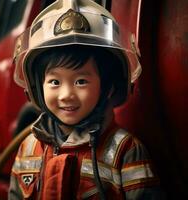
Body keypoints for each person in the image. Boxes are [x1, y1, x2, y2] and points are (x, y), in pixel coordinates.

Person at [9, 0, 162, 199]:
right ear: (38, 87)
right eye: (54, 81)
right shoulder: (28, 148)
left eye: (81, 81)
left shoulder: (125, 150)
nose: (66, 95)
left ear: (108, 87)